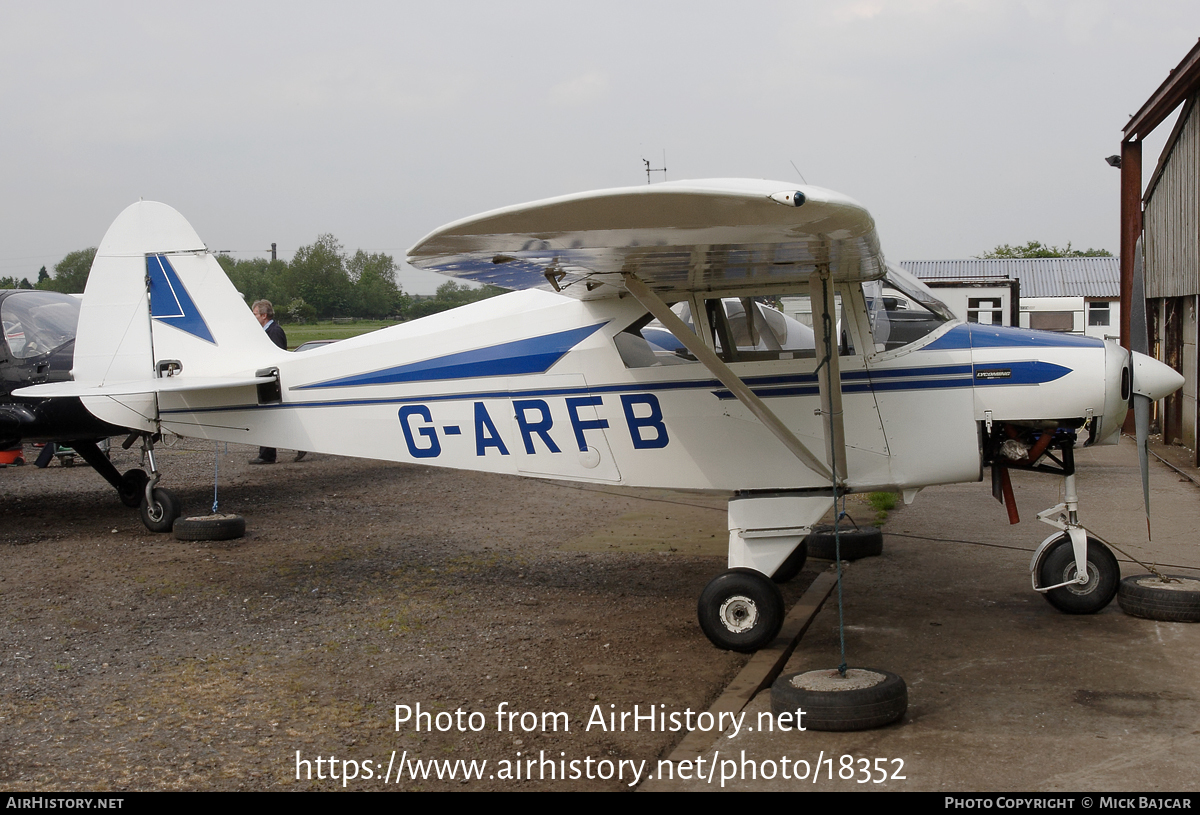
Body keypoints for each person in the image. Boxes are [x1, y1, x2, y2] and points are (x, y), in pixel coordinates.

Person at [248, 300, 307, 464]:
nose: (253, 318)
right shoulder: (268, 331)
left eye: (255, 314)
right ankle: (273, 451)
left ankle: (268, 454)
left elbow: (276, 359)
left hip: (271, 380)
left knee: (270, 416)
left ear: (264, 316)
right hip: (267, 379)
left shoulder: (274, 332)